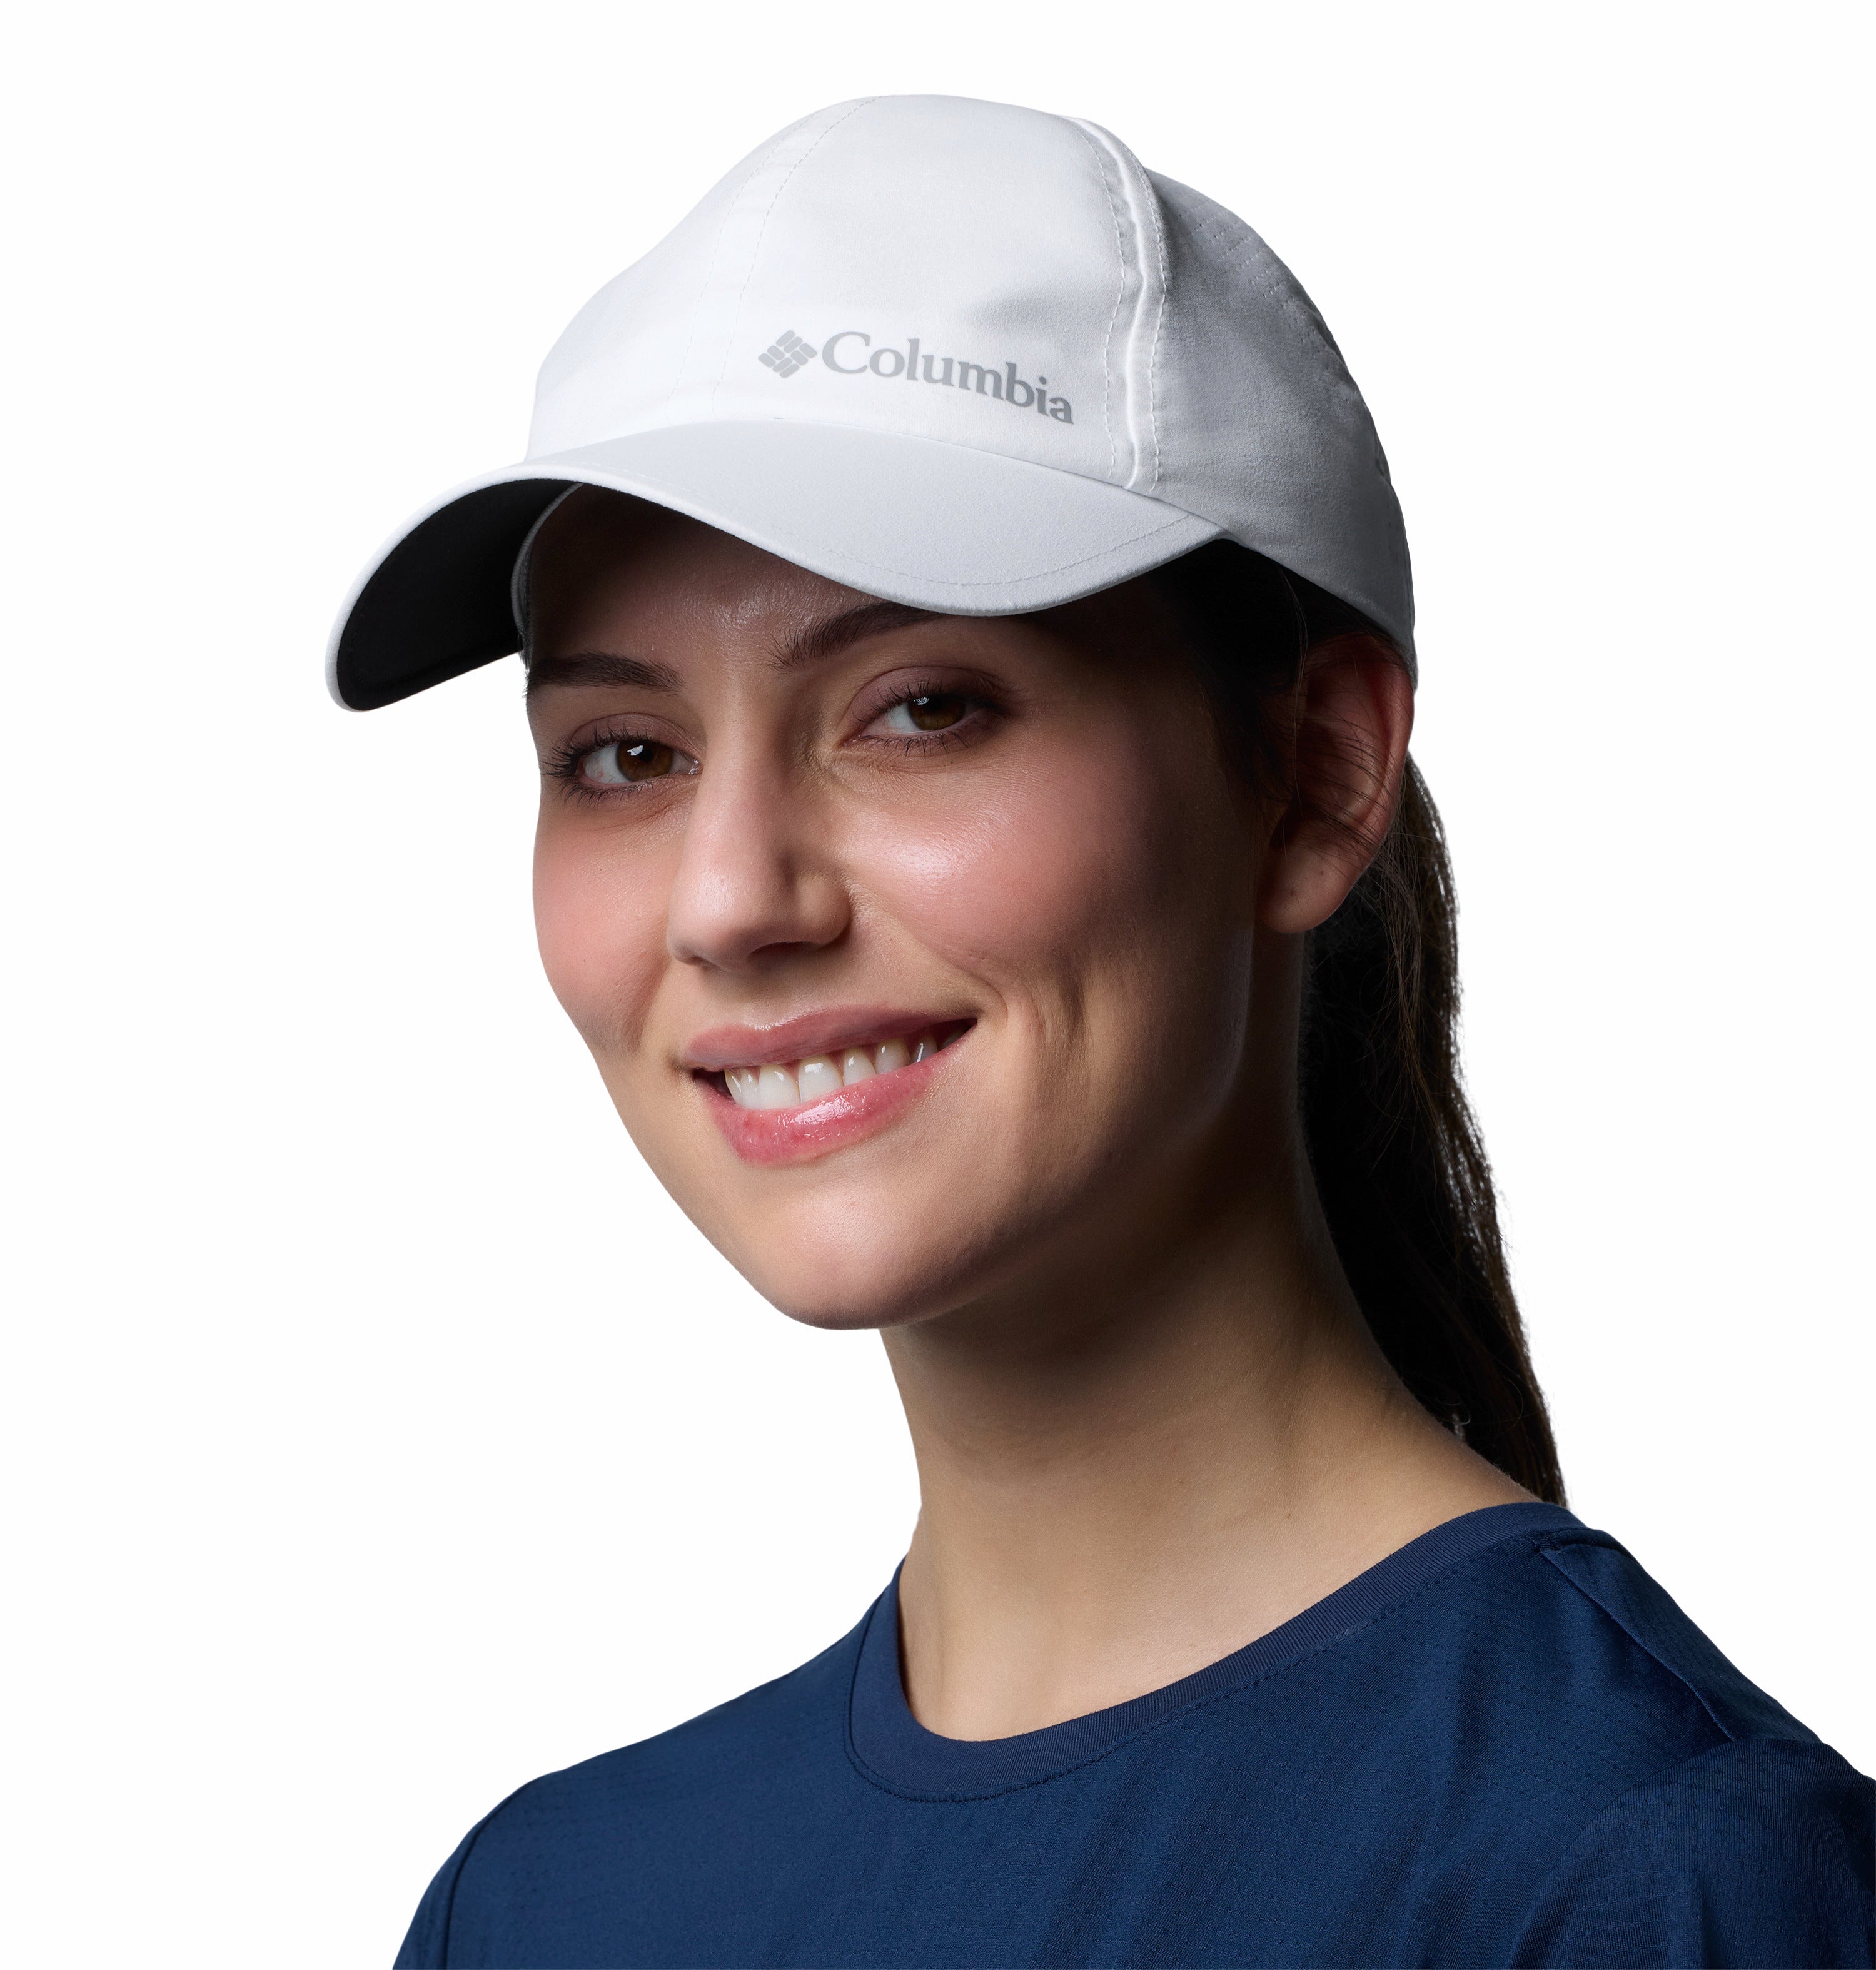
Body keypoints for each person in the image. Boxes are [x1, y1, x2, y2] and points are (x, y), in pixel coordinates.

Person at [330, 96, 1873, 1970]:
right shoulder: (544, 1910)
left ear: (1315, 774)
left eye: (923, 707)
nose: (731, 899)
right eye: (625, 754)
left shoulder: (1649, 1876)